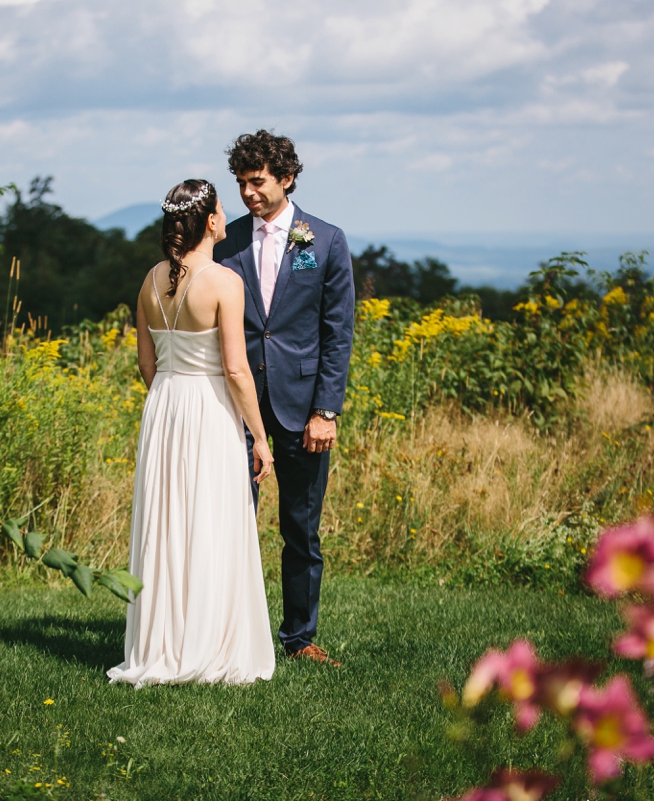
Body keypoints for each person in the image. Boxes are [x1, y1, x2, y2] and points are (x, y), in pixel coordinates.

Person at [107, 179, 277, 687]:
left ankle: (162, 644)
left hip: (164, 405)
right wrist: (260, 438)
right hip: (208, 410)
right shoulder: (224, 281)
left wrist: (168, 398)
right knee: (209, 520)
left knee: (167, 524)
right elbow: (237, 371)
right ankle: (207, 645)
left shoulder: (150, 279)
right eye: (222, 210)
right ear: (208, 221)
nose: (227, 218)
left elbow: (146, 361)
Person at [213, 131, 355, 666]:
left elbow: (337, 333)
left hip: (303, 409)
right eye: (242, 183)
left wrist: (325, 411)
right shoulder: (224, 244)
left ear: (286, 178)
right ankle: (230, 639)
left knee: (301, 529)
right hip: (237, 405)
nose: (248, 193)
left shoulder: (325, 240)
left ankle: (299, 640)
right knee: (232, 523)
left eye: (258, 182)